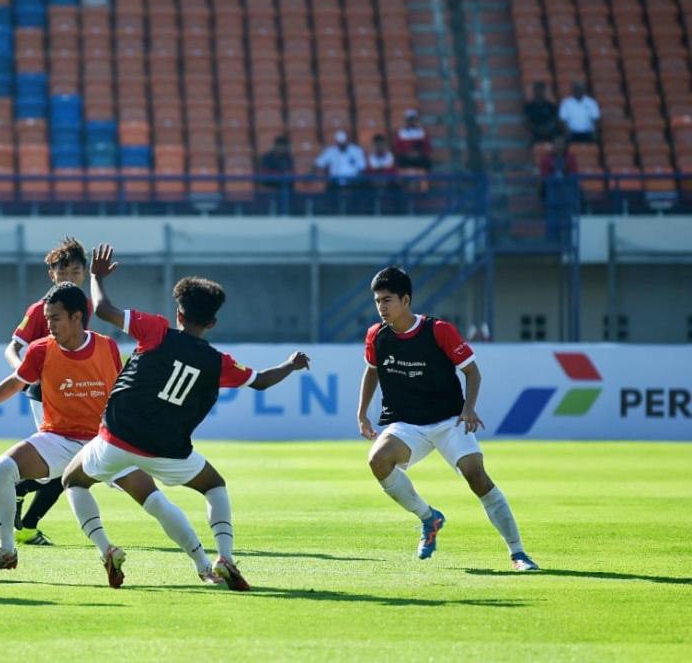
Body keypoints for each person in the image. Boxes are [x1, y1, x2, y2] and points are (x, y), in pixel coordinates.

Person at [63, 244, 312, 590]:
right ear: (212, 322)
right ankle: (224, 557)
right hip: (169, 451)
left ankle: (107, 550)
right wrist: (291, 364)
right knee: (214, 486)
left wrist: (96, 276)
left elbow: (103, 309)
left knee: (73, 481)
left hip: (117, 440)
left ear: (179, 314)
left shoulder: (156, 330)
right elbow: (262, 382)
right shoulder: (218, 362)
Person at [0, 281, 156, 573]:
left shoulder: (105, 345)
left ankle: (206, 562)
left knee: (154, 500)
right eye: (47, 319)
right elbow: (16, 381)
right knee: (3, 468)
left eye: (54, 318)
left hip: (103, 441)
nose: (49, 324)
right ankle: (7, 550)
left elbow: (121, 393)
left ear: (77, 315)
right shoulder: (42, 346)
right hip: (58, 439)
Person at [357, 266, 539, 572]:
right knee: (378, 461)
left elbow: (472, 371)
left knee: (476, 477)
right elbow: (372, 371)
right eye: (377, 301)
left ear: (405, 299)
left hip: (448, 421)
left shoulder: (438, 330)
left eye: (387, 300)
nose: (381, 307)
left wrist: (468, 409)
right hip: (407, 424)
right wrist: (362, 414)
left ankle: (518, 553)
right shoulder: (377, 336)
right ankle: (429, 518)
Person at [3, 236, 92, 546]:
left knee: (73, 466)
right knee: (72, 467)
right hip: (45, 396)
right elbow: (14, 347)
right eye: (63, 272)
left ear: (85, 274)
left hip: (74, 395)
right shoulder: (42, 308)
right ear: (51, 275)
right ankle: (24, 515)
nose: (70, 278)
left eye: (76, 272)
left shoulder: (85, 306)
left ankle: (24, 510)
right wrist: (23, 373)